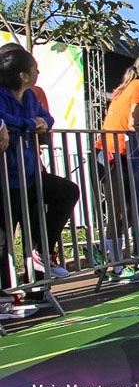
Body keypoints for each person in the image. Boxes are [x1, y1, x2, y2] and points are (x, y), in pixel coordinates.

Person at [0, 47, 80, 280]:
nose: (38, 71)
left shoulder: (30, 95)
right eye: (34, 68)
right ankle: (6, 295)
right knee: (5, 234)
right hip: (6, 176)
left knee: (66, 192)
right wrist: (29, 124)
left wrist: (37, 123)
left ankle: (38, 254)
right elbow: (9, 120)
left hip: (31, 172)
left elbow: (47, 118)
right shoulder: (2, 95)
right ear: (23, 74)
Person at [95, 53, 139, 281]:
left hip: (115, 153)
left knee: (129, 210)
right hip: (113, 153)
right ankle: (114, 262)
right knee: (123, 211)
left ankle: (126, 260)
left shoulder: (132, 85)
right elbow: (136, 123)